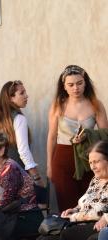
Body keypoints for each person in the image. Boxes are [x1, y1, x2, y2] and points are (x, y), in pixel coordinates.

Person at [47, 65, 108, 211]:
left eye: (79, 83)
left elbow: (105, 135)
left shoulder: (96, 104)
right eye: (71, 84)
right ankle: (69, 233)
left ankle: (90, 233)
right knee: (67, 205)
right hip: (63, 159)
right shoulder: (58, 106)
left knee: (90, 204)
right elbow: (51, 137)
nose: (76, 88)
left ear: (85, 83)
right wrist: (49, 165)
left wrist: (88, 135)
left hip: (89, 159)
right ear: (64, 87)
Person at [0, 80, 43, 185]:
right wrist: (36, 177)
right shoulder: (19, 118)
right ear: (10, 98)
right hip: (16, 174)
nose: (26, 96)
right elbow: (23, 151)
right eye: (22, 93)